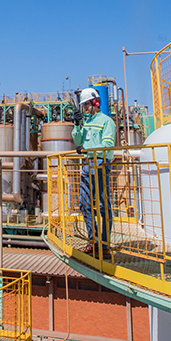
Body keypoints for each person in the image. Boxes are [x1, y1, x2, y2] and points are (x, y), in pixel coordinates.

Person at [72, 88, 116, 260]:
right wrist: (76, 125)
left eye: (86, 105)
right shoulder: (87, 122)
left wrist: (87, 150)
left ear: (95, 103)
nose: (84, 108)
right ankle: (93, 241)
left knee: (104, 205)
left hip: (99, 164)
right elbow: (78, 141)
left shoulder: (107, 122)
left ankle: (104, 245)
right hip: (87, 166)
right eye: (83, 106)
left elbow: (107, 146)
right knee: (85, 203)